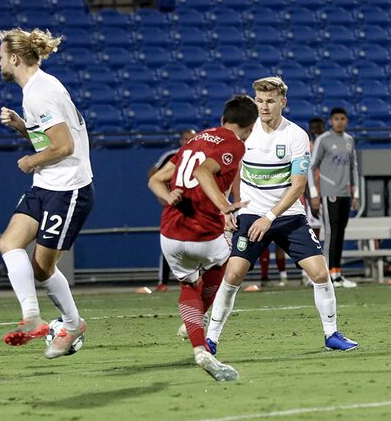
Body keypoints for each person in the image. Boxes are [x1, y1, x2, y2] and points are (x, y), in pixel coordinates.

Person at [206, 77, 358, 354]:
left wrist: (271, 216)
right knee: (234, 273)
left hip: (288, 215)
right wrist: (228, 206)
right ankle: (211, 338)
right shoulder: (245, 133)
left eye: (270, 101)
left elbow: (298, 185)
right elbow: (232, 171)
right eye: (259, 101)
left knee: (320, 273)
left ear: (282, 102)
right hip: (252, 213)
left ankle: (331, 334)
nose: (264, 107)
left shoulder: (296, 136)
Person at [0, 27, 94, 359]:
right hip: (46, 183)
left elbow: (64, 146)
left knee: (42, 268)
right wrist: (24, 127)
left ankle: (72, 323)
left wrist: (30, 160)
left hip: (68, 189)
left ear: (15, 58)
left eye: (1, 57)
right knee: (9, 243)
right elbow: (53, 138)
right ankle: (33, 316)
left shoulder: (40, 92)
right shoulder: (36, 90)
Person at [148, 95, 258, 381]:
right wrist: (225, 207)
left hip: (170, 233)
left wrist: (168, 195)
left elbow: (154, 180)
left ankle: (199, 348)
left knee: (188, 286)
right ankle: (196, 319)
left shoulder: (194, 140)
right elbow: (203, 172)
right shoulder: (235, 143)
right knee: (226, 270)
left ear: (222, 119)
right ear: (251, 126)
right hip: (204, 231)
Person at [308, 107, 360, 288]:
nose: (339, 122)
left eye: (343, 118)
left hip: (345, 193)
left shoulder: (349, 140)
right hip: (329, 194)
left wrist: (357, 193)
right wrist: (314, 193)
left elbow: (354, 167)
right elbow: (310, 167)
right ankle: (328, 275)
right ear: (330, 121)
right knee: (331, 233)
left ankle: (337, 274)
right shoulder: (323, 140)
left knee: (340, 234)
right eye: (336, 118)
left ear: (346, 121)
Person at [147, 128, 197, 292]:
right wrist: (164, 196)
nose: (189, 141)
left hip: (195, 205)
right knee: (170, 243)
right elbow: (153, 175)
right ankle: (164, 282)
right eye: (186, 139)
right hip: (175, 205)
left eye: (192, 138)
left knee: (197, 243)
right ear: (181, 141)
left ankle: (194, 279)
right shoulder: (172, 156)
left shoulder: (200, 153)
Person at [301, 117, 326, 285]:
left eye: (318, 127)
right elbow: (306, 174)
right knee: (312, 234)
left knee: (329, 234)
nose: (315, 130)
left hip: (330, 193)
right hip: (313, 195)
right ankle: (309, 273)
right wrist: (311, 197)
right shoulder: (307, 147)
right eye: (312, 127)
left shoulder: (327, 144)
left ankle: (328, 269)